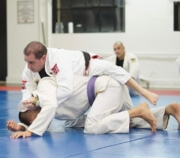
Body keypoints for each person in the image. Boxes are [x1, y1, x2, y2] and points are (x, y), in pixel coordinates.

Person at [7, 75, 180, 139]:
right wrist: (23, 127)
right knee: (79, 123)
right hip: (110, 88)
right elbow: (43, 125)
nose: (41, 122)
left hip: (106, 88)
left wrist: (29, 128)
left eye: (37, 118)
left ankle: (138, 110)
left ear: (33, 109)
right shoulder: (50, 107)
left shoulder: (43, 96)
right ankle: (167, 111)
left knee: (92, 126)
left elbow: (38, 102)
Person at [19, 41, 158, 114]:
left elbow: (65, 90)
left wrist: (38, 100)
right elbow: (27, 89)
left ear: (43, 58)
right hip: (82, 84)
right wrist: (27, 103)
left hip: (89, 66)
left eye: (31, 62)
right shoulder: (29, 68)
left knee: (114, 71)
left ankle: (144, 93)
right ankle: (137, 113)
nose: (28, 66)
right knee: (72, 121)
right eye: (26, 61)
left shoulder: (57, 59)